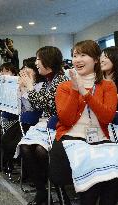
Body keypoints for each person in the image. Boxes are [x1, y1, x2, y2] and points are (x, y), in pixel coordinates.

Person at [50, 40, 118, 205]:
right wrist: (75, 90)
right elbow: (66, 119)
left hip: (101, 139)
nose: (77, 60)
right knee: (91, 174)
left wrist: (85, 94)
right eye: (74, 55)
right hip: (71, 138)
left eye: (83, 55)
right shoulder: (64, 87)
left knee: (114, 175)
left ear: (95, 59)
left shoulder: (108, 86)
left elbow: (107, 117)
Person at [17, 46, 68, 205]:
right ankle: (41, 191)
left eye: (38, 59)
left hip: (60, 126)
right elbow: (39, 106)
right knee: (25, 147)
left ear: (48, 61)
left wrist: (30, 86)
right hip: (46, 125)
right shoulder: (48, 80)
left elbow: (45, 103)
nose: (36, 63)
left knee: (40, 150)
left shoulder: (61, 79)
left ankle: (60, 191)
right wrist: (25, 87)